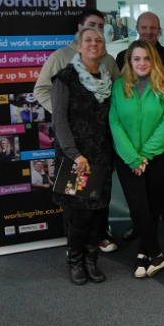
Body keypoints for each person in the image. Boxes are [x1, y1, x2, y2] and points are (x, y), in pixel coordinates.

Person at [34, 8, 121, 253]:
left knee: (99, 197)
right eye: (89, 30)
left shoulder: (108, 63)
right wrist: (65, 113)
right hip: (74, 145)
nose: (94, 37)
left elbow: (118, 94)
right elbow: (43, 91)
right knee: (76, 202)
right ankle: (76, 251)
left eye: (100, 30)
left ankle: (98, 240)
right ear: (78, 38)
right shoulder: (63, 65)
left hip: (101, 144)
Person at [51, 27, 114, 285]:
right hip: (76, 159)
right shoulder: (64, 79)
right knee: (80, 215)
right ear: (77, 46)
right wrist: (75, 155)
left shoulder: (108, 79)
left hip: (102, 156)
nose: (93, 44)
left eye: (98, 40)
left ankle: (91, 260)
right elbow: (59, 121)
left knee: (99, 212)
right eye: (87, 40)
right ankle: (75, 261)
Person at [110, 39, 164, 278]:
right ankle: (156, 253)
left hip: (157, 156)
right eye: (136, 58)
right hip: (127, 157)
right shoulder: (118, 87)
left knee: (152, 204)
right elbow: (115, 123)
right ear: (129, 61)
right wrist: (133, 158)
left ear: (154, 60)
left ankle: (142, 252)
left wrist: (146, 155)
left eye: (146, 58)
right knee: (138, 206)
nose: (142, 63)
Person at [116, 11, 164, 239]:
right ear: (137, 28)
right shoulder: (123, 55)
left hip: (161, 136)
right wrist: (136, 154)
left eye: (153, 28)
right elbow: (119, 101)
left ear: (159, 30)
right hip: (132, 142)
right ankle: (141, 224)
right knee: (137, 189)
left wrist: (149, 150)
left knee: (162, 181)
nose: (149, 32)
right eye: (144, 28)